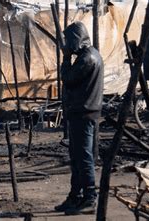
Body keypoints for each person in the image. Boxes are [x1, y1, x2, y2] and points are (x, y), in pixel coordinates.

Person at [54, 21, 104, 215]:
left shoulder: (87, 58)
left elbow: (67, 78)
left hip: (83, 112)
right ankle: (76, 196)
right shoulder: (89, 55)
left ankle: (90, 197)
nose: (66, 43)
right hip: (82, 110)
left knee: (83, 157)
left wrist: (66, 58)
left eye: (68, 39)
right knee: (77, 156)